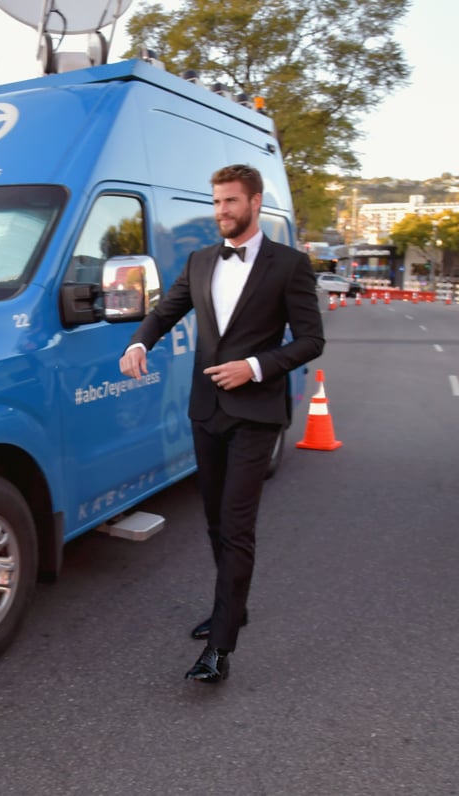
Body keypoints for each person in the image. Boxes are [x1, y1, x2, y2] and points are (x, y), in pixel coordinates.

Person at [119, 164, 324, 684]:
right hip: (206, 410)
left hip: (257, 414)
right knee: (213, 518)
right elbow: (167, 310)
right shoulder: (201, 260)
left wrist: (254, 367)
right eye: (216, 203)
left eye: (230, 202)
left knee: (236, 524)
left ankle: (220, 648)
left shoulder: (290, 265)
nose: (221, 212)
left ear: (254, 204)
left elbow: (309, 339)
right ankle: (233, 606)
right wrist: (140, 341)